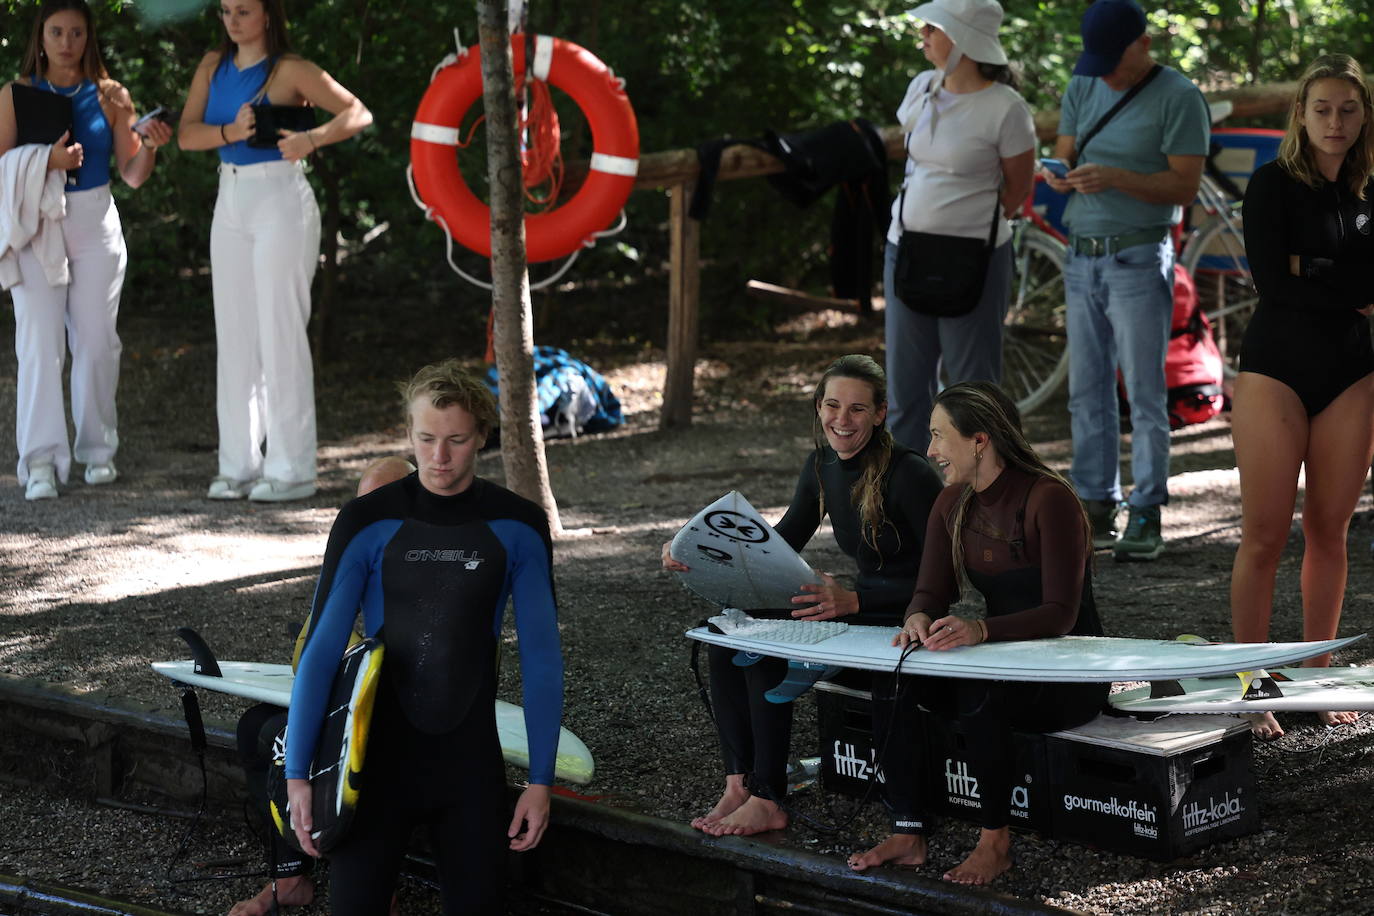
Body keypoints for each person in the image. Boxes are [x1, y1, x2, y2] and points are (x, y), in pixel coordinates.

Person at [285, 360, 563, 915]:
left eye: (457, 440)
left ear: (481, 436)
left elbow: (541, 656)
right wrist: (298, 773)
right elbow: (320, 652)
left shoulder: (518, 526)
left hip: (469, 767)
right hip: (373, 766)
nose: (440, 457)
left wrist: (540, 780)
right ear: (409, 435)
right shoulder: (366, 521)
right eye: (426, 439)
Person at [662, 354, 944, 841]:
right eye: (832, 405)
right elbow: (777, 544)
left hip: (902, 620)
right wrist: (695, 549)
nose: (842, 420)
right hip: (853, 607)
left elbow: (944, 579)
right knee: (732, 634)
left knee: (768, 649)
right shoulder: (821, 466)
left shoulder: (911, 474)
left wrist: (854, 600)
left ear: (880, 414)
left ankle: (769, 797)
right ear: (818, 407)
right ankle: (740, 783)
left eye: (858, 409)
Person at [893, 381, 1106, 884]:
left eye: (940, 436)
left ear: (980, 440)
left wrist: (981, 630)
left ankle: (995, 842)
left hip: (1070, 673)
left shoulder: (1047, 498)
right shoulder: (951, 502)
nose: (931, 451)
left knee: (979, 691)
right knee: (896, 680)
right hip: (1000, 657)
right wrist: (917, 618)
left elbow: (1060, 614)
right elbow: (929, 592)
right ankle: (907, 827)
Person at [1229, 54, 1374, 740]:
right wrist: (1349, 284)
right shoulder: (1271, 185)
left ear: (1364, 113)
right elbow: (1273, 283)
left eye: (1348, 109)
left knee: (1329, 533)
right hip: (1274, 370)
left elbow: (1311, 276)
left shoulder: (1372, 190)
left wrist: (1311, 266)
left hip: (1351, 372)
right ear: (1301, 113)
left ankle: (1317, 673)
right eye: (1322, 108)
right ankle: (1252, 684)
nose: (1335, 122)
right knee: (1262, 535)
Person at [177, 0, 371, 503]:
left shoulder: (291, 69)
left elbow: (357, 112)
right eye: (225, 11)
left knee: (280, 332)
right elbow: (185, 135)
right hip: (230, 197)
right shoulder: (210, 66)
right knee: (235, 332)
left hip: (280, 199)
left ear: (267, 15)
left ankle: (291, 470)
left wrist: (312, 138)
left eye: (244, 10)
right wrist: (230, 133)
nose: (233, 20)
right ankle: (238, 466)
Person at [1041, 0, 1209, 560]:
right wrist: (1059, 177)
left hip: (1138, 258)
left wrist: (1116, 178)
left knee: (1143, 392)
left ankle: (1147, 508)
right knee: (1086, 391)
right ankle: (1094, 500)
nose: (1104, 72)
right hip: (1080, 255)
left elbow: (1183, 187)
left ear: (1144, 44)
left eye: (1114, 60)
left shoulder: (1180, 96)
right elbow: (1065, 152)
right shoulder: (1084, 82)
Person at [0, 0, 173, 501]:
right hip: (37, 222)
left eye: (76, 32)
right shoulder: (16, 94)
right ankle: (39, 464)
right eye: (57, 32)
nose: (67, 42)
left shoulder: (111, 94)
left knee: (98, 342)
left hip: (95, 218)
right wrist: (44, 160)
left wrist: (153, 144)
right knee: (39, 344)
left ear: (88, 37)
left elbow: (134, 175)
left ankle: (97, 450)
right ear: (41, 37)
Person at [228, 455, 414, 916]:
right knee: (255, 727)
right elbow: (312, 649)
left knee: (282, 740)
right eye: (359, 508)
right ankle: (291, 878)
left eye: (378, 507)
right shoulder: (359, 552)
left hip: (397, 720)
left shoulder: (421, 560)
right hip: (348, 704)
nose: (363, 520)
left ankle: (375, 885)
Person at [884, 0, 1035, 455]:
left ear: (964, 38)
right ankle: (905, 506)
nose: (923, 35)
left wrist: (965, 227)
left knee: (973, 392)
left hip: (974, 260)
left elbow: (1017, 188)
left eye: (934, 27)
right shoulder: (921, 86)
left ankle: (977, 507)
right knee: (906, 388)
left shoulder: (1005, 108)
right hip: (906, 250)